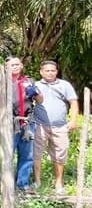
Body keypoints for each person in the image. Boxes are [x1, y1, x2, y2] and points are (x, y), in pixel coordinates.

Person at [0, 56, 43, 191]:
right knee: (8, 153)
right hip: (10, 122)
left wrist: (35, 92)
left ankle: (22, 183)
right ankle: (6, 183)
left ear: (21, 66)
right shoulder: (3, 83)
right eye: (11, 65)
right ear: (6, 68)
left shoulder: (29, 81)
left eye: (17, 64)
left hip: (27, 122)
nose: (14, 67)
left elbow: (40, 100)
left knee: (27, 154)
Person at [33, 60, 78, 194]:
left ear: (56, 72)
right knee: (36, 153)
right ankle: (37, 181)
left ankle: (59, 182)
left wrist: (73, 120)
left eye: (53, 70)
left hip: (60, 126)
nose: (50, 73)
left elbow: (73, 102)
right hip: (40, 125)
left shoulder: (64, 85)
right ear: (41, 72)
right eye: (47, 70)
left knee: (60, 154)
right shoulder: (35, 85)